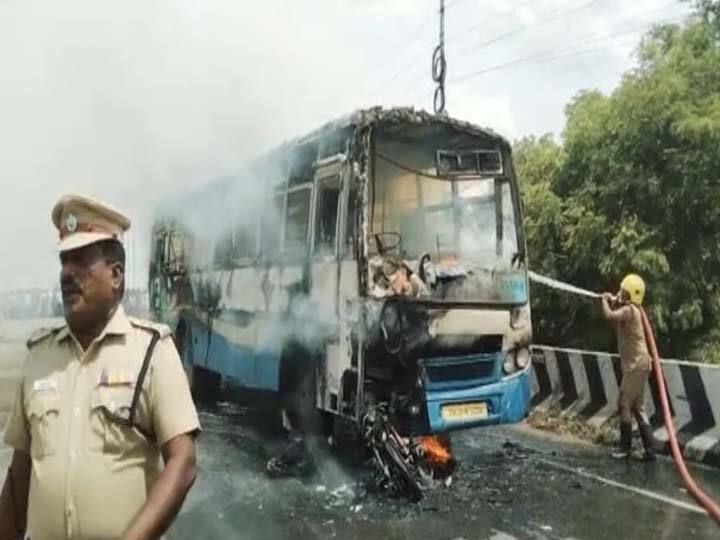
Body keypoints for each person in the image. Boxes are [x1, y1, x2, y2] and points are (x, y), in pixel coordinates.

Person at [0, 194, 201, 540]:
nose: (67, 273)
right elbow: (19, 479)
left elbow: (182, 464)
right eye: (64, 261)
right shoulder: (41, 356)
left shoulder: (152, 351)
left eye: (81, 260)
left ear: (116, 275)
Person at [601, 273, 656, 462]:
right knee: (638, 407)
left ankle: (625, 447)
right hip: (640, 364)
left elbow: (608, 315)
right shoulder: (633, 310)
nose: (620, 293)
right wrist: (614, 299)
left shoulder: (629, 311)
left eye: (623, 291)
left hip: (636, 365)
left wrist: (604, 300)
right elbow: (616, 312)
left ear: (630, 294)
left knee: (624, 402)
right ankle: (650, 451)